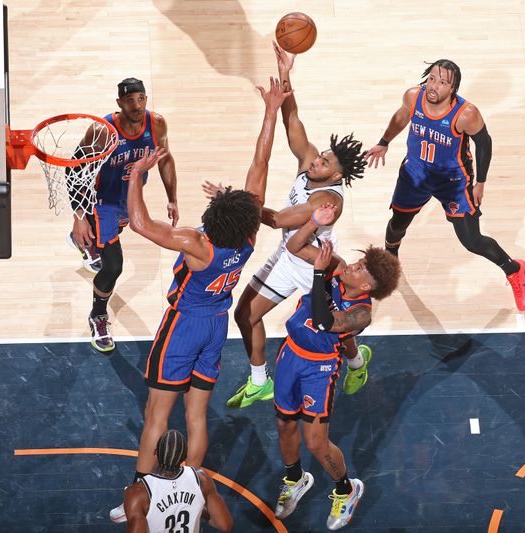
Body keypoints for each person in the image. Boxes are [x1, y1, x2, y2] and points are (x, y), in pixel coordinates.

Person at [108, 76, 289, 524]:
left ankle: (142, 494)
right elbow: (260, 162)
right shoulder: (246, 238)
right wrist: (271, 112)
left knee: (156, 414)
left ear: (213, 216)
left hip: (184, 325)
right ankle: (191, 485)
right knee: (197, 416)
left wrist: (134, 175)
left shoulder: (198, 244)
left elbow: (140, 222)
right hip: (216, 327)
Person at [221, 43, 370, 409]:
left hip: (313, 266)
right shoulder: (309, 163)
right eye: (320, 156)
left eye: (325, 161)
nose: (317, 159)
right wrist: (286, 73)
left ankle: (356, 363)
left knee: (328, 325)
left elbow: (275, 220)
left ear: (337, 174)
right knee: (244, 314)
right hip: (289, 255)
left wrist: (236, 205)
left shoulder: (327, 201)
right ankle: (260, 381)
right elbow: (293, 120)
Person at [364, 60, 525, 312]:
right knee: (397, 224)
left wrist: (481, 182)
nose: (434, 86)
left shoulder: (466, 114)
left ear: (453, 88)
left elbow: (484, 144)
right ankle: (391, 258)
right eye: (432, 78)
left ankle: (515, 270)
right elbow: (401, 118)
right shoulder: (414, 97)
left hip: (453, 181)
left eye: (443, 82)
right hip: (416, 173)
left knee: (472, 240)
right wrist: (383, 141)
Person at [271, 203, 402, 530]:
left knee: (315, 442)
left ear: (367, 287)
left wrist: (318, 272)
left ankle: (346, 489)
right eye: (358, 261)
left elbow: (324, 319)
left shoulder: (361, 314)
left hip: (319, 369)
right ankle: (294, 479)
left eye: (360, 268)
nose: (353, 265)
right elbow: (294, 246)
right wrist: (314, 221)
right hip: (290, 353)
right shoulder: (337, 267)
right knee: (285, 425)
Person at [67, 77, 179, 353]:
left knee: (111, 238)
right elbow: (74, 169)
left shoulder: (157, 124)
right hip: (101, 202)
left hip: (130, 197)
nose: (136, 105)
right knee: (113, 266)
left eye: (140, 98)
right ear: (119, 103)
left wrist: (172, 197)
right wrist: (80, 215)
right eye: (129, 100)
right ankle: (98, 316)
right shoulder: (102, 131)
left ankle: (83, 240)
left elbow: (165, 158)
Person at [123, 429, 233, 533]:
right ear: (185, 456)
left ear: (155, 452)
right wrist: (194, 506)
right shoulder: (201, 479)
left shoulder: (138, 493)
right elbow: (224, 524)